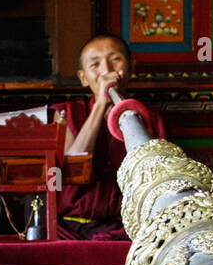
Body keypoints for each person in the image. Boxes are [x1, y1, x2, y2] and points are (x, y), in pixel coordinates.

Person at [51, 34, 166, 240]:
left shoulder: (149, 119)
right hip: (68, 228)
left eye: (115, 59)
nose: (107, 71)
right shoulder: (64, 115)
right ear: (83, 78)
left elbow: (156, 181)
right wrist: (100, 106)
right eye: (95, 64)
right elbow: (74, 169)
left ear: (131, 66)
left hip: (124, 230)